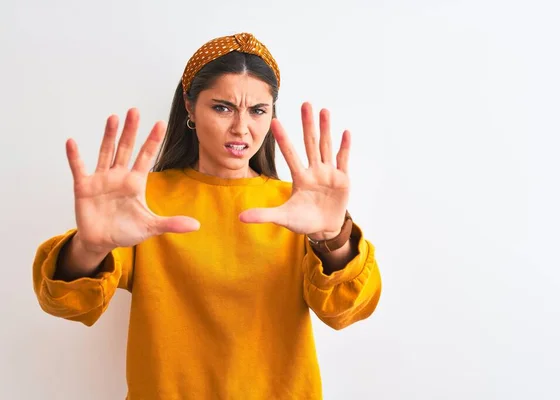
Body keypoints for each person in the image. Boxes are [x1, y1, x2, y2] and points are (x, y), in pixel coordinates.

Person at [32, 32, 382, 399]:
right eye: (223, 107)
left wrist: (332, 237)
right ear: (190, 107)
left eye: (258, 110)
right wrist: (89, 246)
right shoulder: (141, 200)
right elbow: (67, 303)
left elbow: (346, 310)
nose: (241, 128)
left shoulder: (297, 208)